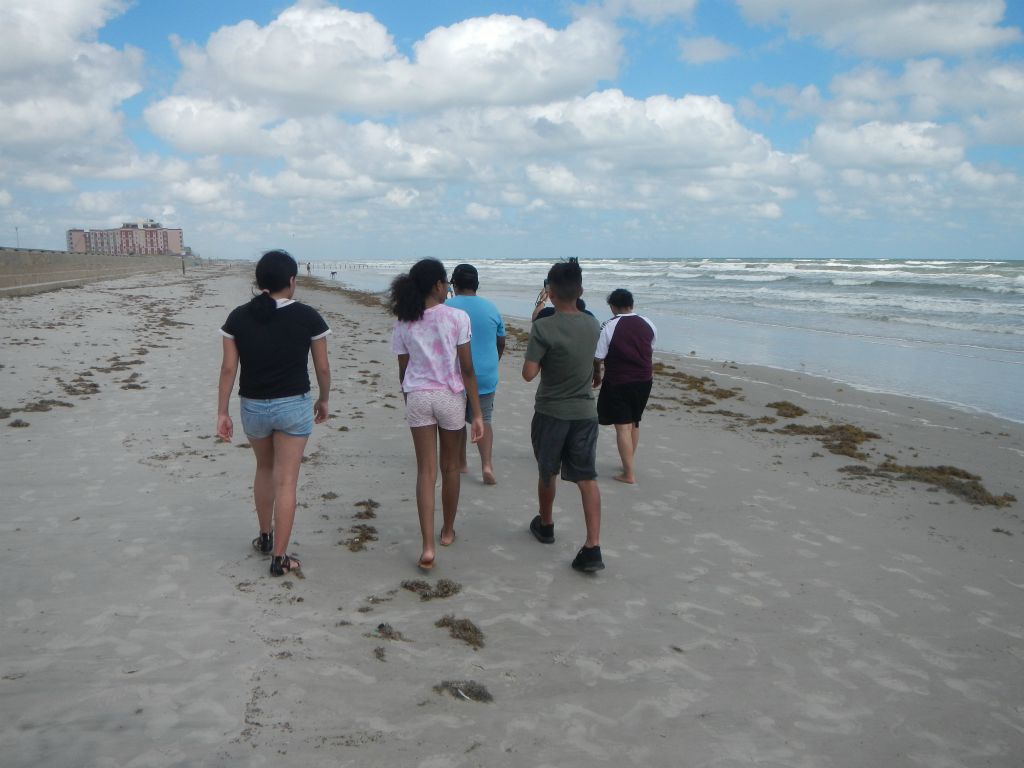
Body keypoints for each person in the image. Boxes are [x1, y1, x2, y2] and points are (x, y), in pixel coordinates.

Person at [217, 250, 331, 577]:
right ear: (291, 280)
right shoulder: (308, 316)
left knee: (264, 469)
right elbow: (322, 367)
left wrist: (222, 412)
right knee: (287, 481)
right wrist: (324, 399)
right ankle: (279, 558)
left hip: (253, 406)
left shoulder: (238, 317)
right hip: (293, 405)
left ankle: (265, 537)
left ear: (259, 281)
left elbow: (228, 369)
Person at [389, 258, 485, 570]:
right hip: (450, 397)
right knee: (451, 467)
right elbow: (467, 369)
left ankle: (427, 546)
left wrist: (410, 399)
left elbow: (403, 371)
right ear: (437, 285)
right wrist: (478, 413)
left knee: (425, 472)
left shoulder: (404, 321)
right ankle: (447, 531)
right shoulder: (457, 317)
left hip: (418, 395)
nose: (447, 288)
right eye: (445, 283)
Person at [522, 257, 604, 573]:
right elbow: (594, 365)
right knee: (587, 477)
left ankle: (546, 524)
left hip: (551, 411)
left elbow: (529, 373)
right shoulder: (593, 324)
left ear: (551, 293)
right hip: (585, 412)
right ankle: (593, 546)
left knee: (547, 471)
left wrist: (545, 358)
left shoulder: (544, 327)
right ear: (580, 291)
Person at [446, 263, 506, 485]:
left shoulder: (446, 307)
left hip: (456, 374)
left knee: (457, 420)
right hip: (486, 374)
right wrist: (493, 362)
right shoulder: (491, 308)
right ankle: (487, 465)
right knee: (485, 418)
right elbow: (501, 341)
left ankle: (461, 462)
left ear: (454, 284)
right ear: (477, 284)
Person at [592, 288, 657, 484]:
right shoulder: (648, 323)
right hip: (644, 379)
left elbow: (598, 356)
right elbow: (650, 349)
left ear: (612, 306)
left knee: (622, 427)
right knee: (634, 422)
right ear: (632, 304)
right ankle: (628, 463)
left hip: (619, 380)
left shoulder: (609, 325)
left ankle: (628, 473)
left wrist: (597, 374)